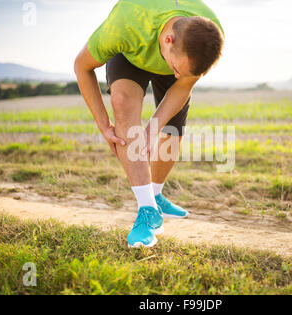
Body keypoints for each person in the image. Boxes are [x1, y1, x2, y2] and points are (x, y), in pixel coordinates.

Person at [74, 0, 224, 248]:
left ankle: (155, 194)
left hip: (176, 55)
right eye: (177, 68)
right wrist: (103, 124)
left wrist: (152, 129)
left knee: (172, 130)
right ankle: (147, 210)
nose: (177, 75)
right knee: (122, 103)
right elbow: (81, 66)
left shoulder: (208, 35)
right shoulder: (126, 22)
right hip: (131, 54)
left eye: (183, 72)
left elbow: (182, 83)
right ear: (168, 40)